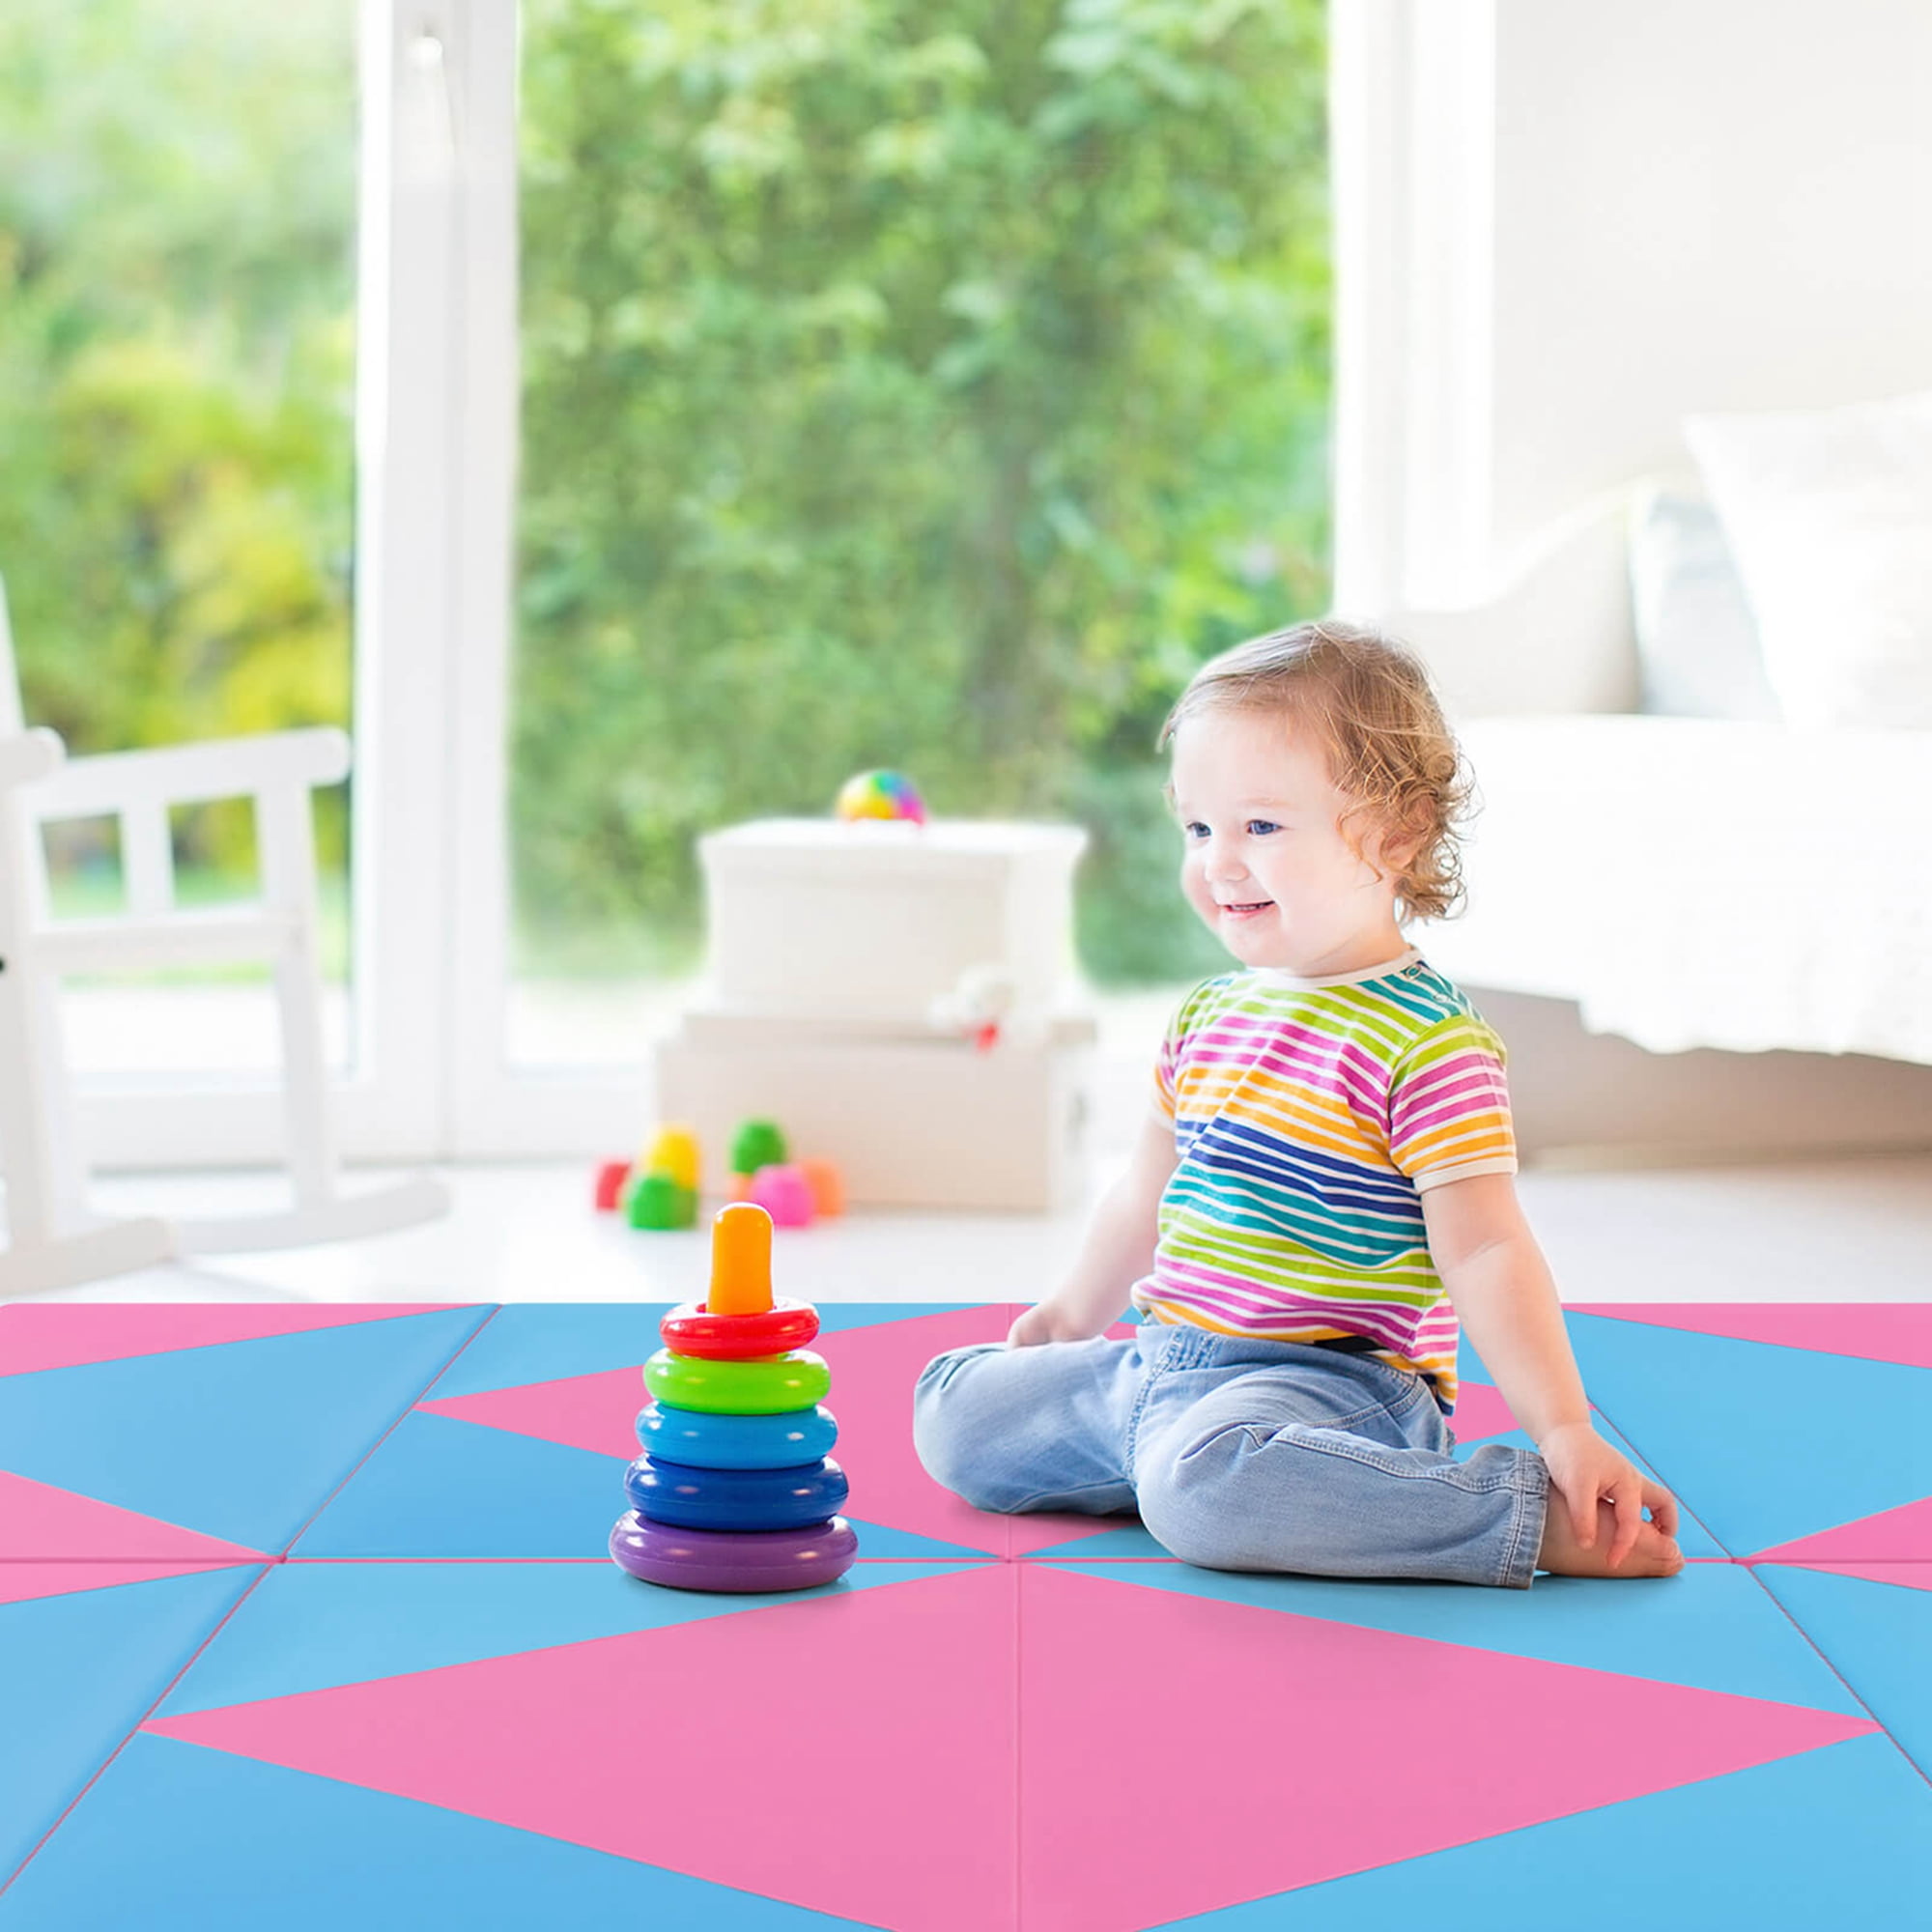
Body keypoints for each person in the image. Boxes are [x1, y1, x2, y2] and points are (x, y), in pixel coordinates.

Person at [913, 619, 1684, 1588]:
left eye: (1261, 827)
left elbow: (1486, 1250)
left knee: (1204, 1489)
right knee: (953, 1408)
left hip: (1330, 1384)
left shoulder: (1428, 1042)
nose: (1217, 861)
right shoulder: (1205, 1014)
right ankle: (1210, 1476)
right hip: (1160, 1362)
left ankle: (1509, 1514)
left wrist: (1564, 1427)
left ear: (1396, 833)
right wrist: (1069, 1315)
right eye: (1199, 828)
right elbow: (1144, 1194)